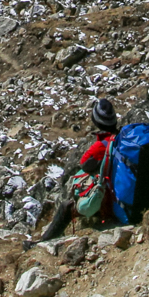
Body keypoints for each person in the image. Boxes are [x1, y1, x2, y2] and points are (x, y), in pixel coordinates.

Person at [42, 98, 120, 240]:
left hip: (107, 197)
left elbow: (84, 163)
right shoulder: (120, 138)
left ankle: (44, 241)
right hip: (118, 190)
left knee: (66, 207)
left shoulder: (102, 144)